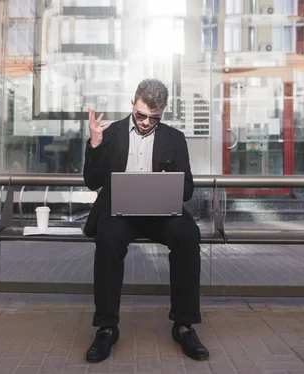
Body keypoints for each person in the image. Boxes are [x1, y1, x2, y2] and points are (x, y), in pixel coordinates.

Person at [82, 78, 209, 363]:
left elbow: (187, 190)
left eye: (153, 118)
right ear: (132, 104)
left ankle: (184, 324)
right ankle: (106, 328)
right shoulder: (110, 133)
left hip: (159, 211)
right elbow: (91, 182)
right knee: (108, 240)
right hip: (119, 210)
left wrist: (169, 184)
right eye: (140, 115)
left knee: (188, 237)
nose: (145, 122)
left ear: (162, 112)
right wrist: (95, 143)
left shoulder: (174, 138)